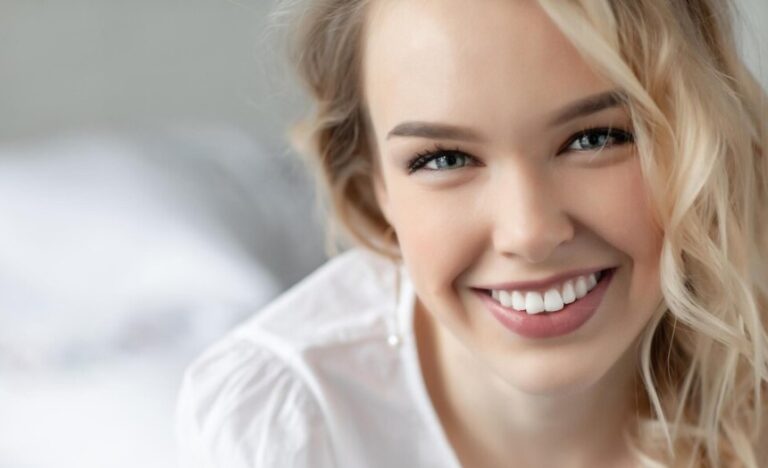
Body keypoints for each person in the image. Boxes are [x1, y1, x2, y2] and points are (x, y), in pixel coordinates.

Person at [175, 0, 768, 466]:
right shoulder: (284, 426)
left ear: (702, 140)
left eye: (594, 139)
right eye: (443, 159)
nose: (530, 233)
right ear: (372, 190)